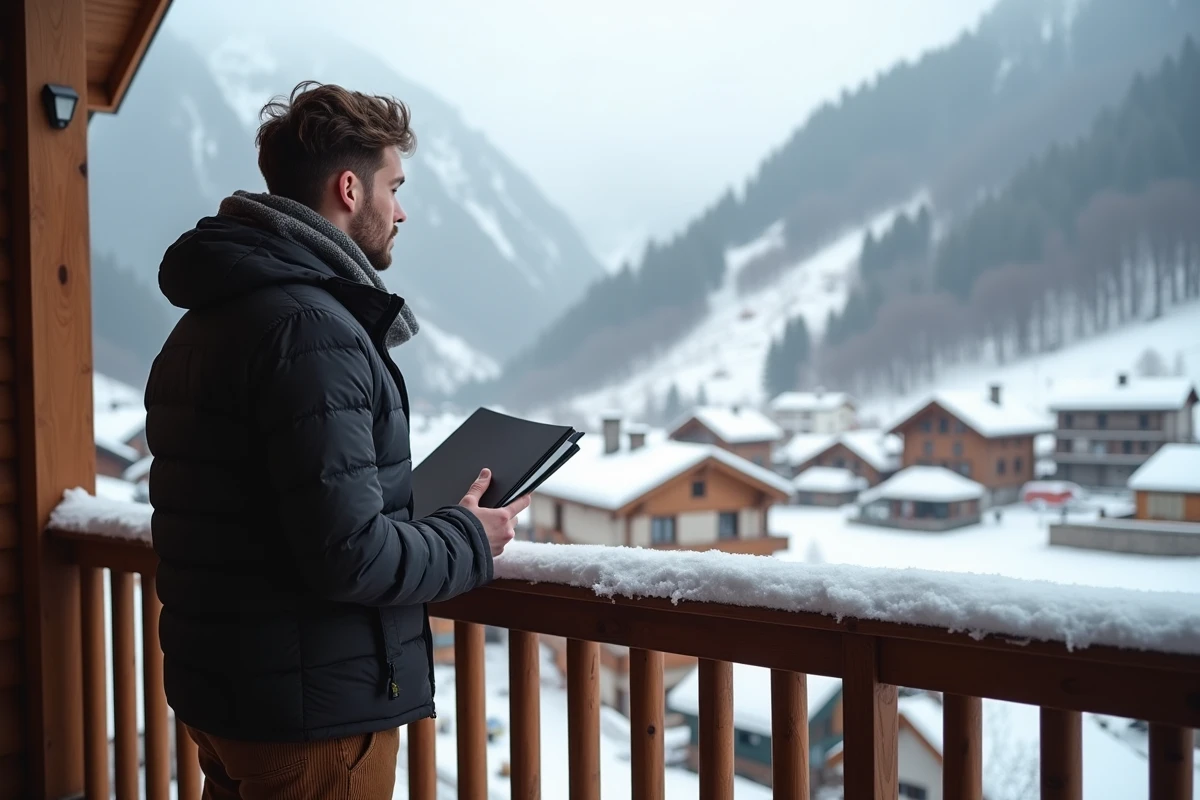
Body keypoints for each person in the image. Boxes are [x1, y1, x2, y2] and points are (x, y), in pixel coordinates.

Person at [143, 80, 528, 799]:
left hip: (231, 695)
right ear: (349, 189)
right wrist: (469, 538)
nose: (402, 209)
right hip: (311, 719)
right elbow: (349, 554)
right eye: (395, 185)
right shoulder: (311, 331)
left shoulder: (210, 319)